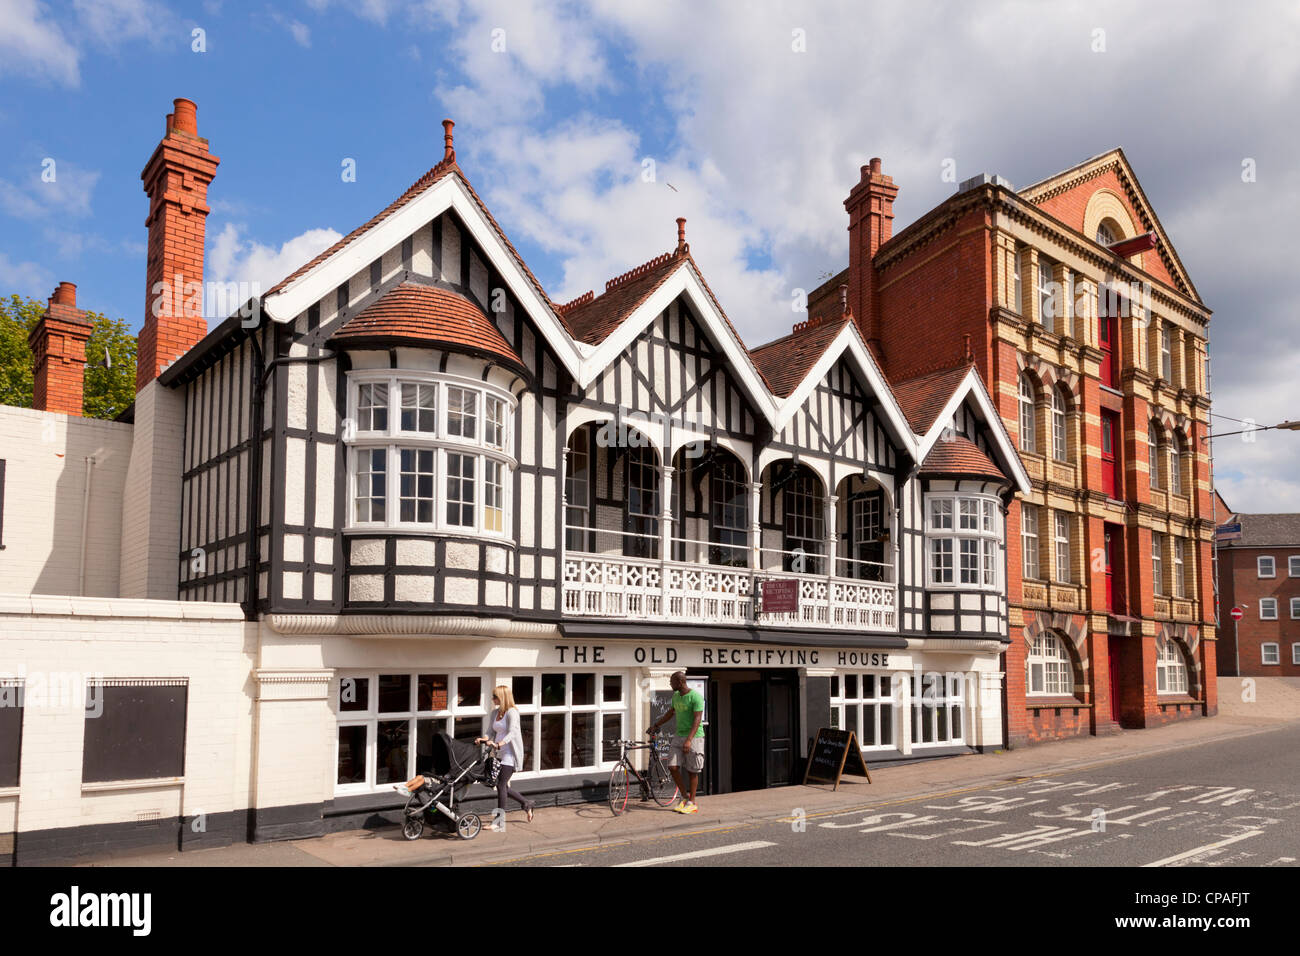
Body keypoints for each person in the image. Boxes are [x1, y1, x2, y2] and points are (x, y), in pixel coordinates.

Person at [476, 685, 535, 824]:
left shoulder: (512, 712)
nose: (493, 699)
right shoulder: (494, 713)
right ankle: (527, 803)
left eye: (495, 697)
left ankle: (499, 821)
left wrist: (500, 743)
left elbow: (513, 732)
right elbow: (490, 731)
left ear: (502, 697)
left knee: (501, 785)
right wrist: (483, 739)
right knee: (502, 785)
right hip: (499, 752)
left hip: (510, 752)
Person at [647, 671, 704, 813]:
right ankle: (684, 797)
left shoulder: (695, 697)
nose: (670, 684)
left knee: (692, 771)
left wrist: (689, 740)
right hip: (679, 736)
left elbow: (697, 719)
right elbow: (670, 713)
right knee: (672, 767)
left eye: (672, 682)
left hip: (694, 736)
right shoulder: (676, 696)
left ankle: (692, 802)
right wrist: (656, 725)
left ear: (680, 682)